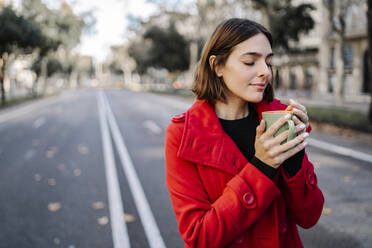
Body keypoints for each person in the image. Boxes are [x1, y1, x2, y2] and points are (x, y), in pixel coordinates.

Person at [165, 18, 324, 248]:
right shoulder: (182, 135)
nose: (265, 72)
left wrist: (294, 156)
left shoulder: (278, 120)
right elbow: (200, 236)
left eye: (268, 62)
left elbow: (310, 217)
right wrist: (262, 165)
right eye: (250, 62)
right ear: (217, 66)